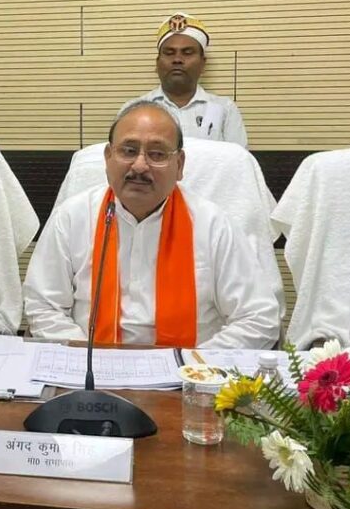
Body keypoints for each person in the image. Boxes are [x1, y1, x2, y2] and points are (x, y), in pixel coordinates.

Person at [23, 101, 279, 348]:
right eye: (128, 151)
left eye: (157, 154)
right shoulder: (72, 217)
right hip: (89, 367)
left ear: (179, 165)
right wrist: (85, 356)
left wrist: (197, 364)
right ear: (108, 157)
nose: (139, 166)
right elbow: (43, 305)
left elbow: (258, 317)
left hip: (186, 371)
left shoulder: (213, 225)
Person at [121, 12, 247, 146]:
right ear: (157, 63)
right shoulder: (133, 110)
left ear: (203, 63)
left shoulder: (225, 109)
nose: (177, 59)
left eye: (187, 53)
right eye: (169, 53)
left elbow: (239, 158)